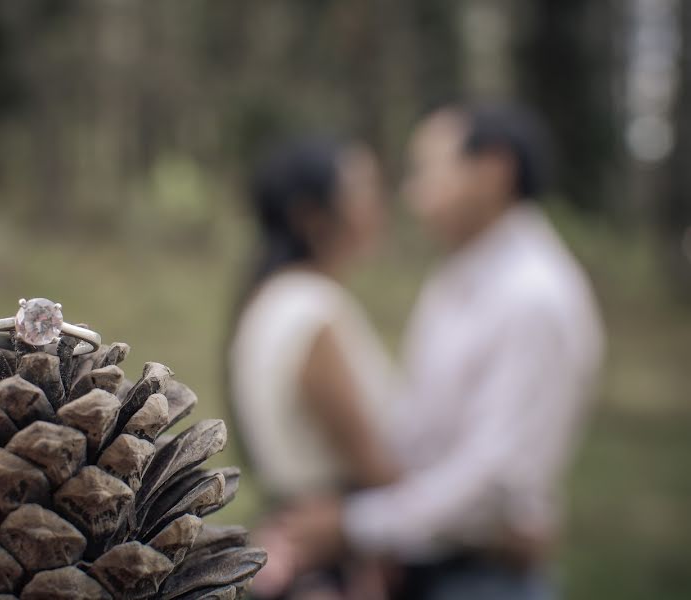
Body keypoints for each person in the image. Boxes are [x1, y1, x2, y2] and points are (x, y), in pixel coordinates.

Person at [277, 104, 606, 600]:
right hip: (429, 562)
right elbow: (419, 426)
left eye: (428, 171)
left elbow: (493, 482)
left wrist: (357, 525)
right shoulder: (456, 276)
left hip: (485, 577)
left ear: (493, 170)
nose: (412, 195)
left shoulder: (536, 296)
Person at [228, 137, 400, 598]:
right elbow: (371, 462)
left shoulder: (270, 299)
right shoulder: (312, 312)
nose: (378, 205)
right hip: (329, 554)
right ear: (312, 215)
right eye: (361, 190)